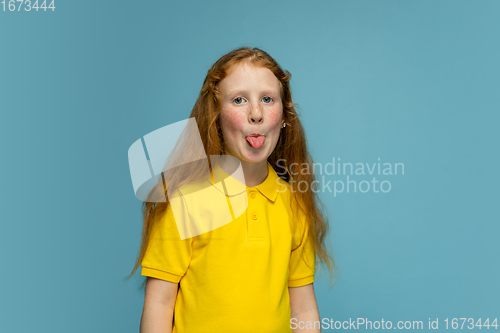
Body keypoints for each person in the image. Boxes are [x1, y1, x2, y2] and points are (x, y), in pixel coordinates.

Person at [126, 46, 335, 333]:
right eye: (239, 100)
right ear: (216, 116)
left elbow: (303, 307)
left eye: (267, 99)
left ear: (284, 116)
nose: (256, 113)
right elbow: (159, 305)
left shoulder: (294, 203)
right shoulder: (183, 200)